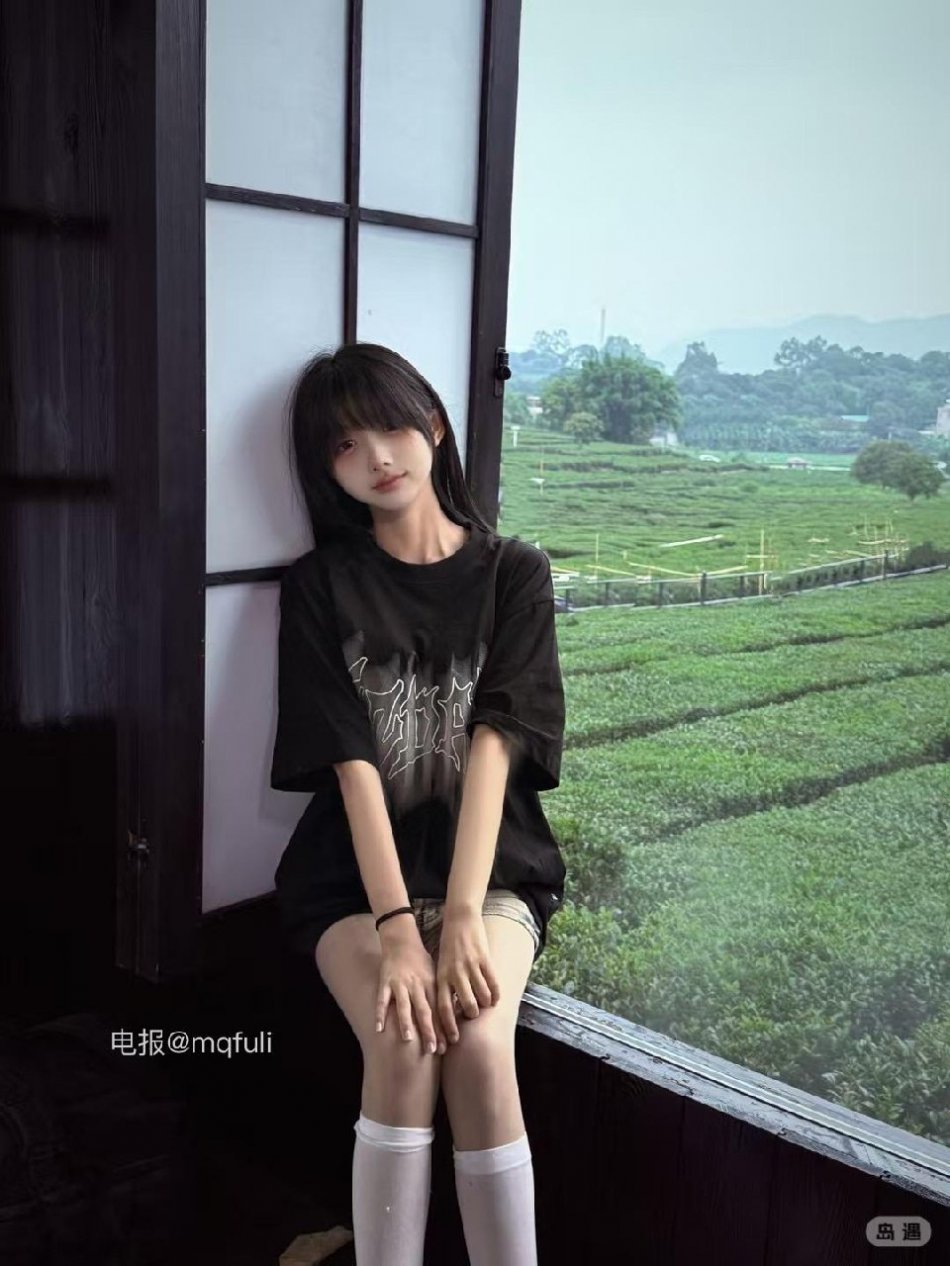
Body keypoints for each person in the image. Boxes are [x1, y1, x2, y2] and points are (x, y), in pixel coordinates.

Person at [269, 342, 567, 1265]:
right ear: (328, 470)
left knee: (477, 1041)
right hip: (351, 884)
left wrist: (464, 913)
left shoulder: (515, 573)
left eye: (390, 426)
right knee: (401, 1039)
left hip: (495, 873)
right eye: (343, 445)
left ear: (433, 424)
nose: (376, 456)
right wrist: (400, 928)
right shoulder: (319, 585)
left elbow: (496, 746)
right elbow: (352, 763)